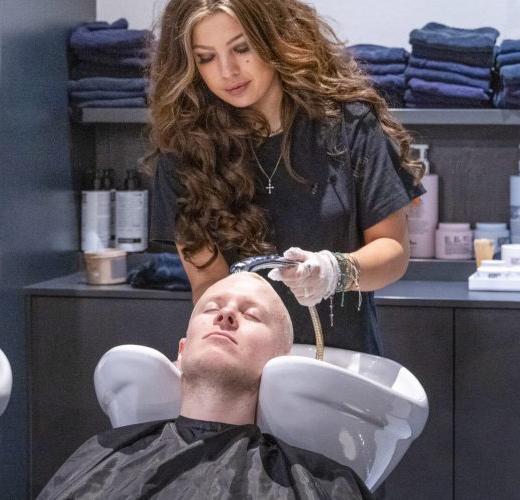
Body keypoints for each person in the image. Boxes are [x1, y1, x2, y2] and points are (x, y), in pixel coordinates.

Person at [146, 0, 425, 355]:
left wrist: (335, 271)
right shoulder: (186, 154)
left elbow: (394, 252)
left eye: (241, 48)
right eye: (205, 57)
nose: (227, 70)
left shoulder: (350, 126)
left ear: (273, 37)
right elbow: (207, 284)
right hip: (245, 365)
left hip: (344, 365)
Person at [37, 272, 372, 499]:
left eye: (251, 315)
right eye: (212, 308)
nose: (226, 315)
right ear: (181, 351)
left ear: (279, 361)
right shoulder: (105, 454)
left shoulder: (323, 484)